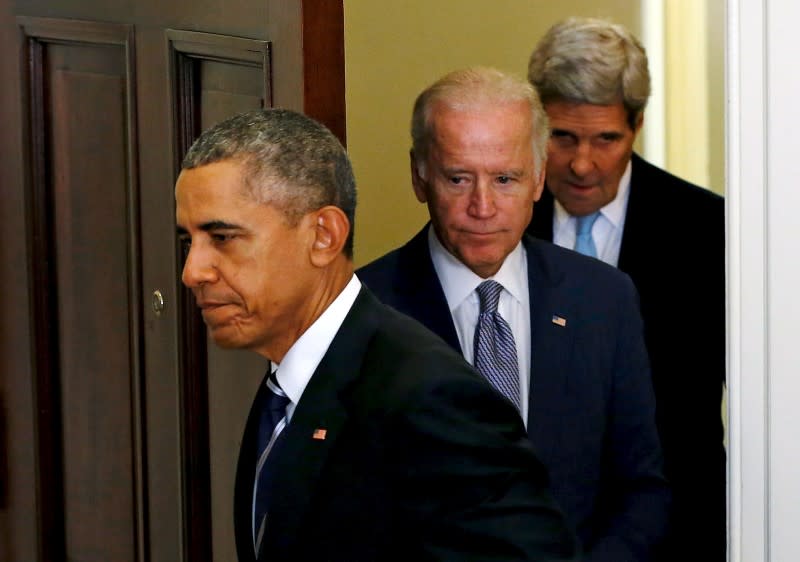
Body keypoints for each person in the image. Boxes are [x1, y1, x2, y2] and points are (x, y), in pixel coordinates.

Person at [175, 108, 580, 562]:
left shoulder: (432, 397)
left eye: (224, 238)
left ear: (324, 236)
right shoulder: (288, 386)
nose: (194, 272)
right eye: (189, 242)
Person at [358, 67, 670, 562]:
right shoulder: (361, 312)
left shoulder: (603, 299)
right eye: (459, 178)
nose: (483, 207)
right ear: (420, 175)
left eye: (505, 179)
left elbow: (642, 490)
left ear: (539, 177)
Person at [525, 18, 726, 562]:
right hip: (538, 530)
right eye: (563, 137)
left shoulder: (709, 230)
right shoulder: (500, 222)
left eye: (605, 139)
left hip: (680, 530)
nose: (582, 165)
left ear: (636, 125)